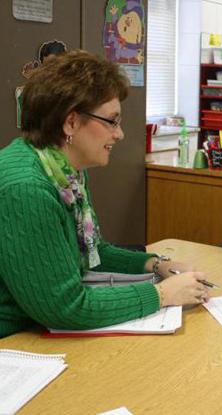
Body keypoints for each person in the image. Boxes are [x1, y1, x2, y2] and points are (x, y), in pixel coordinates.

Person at [0, 50, 211, 338]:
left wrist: (158, 264)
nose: (120, 134)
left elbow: (92, 251)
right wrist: (161, 295)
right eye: (112, 121)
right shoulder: (28, 188)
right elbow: (65, 307)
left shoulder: (64, 171)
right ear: (71, 122)